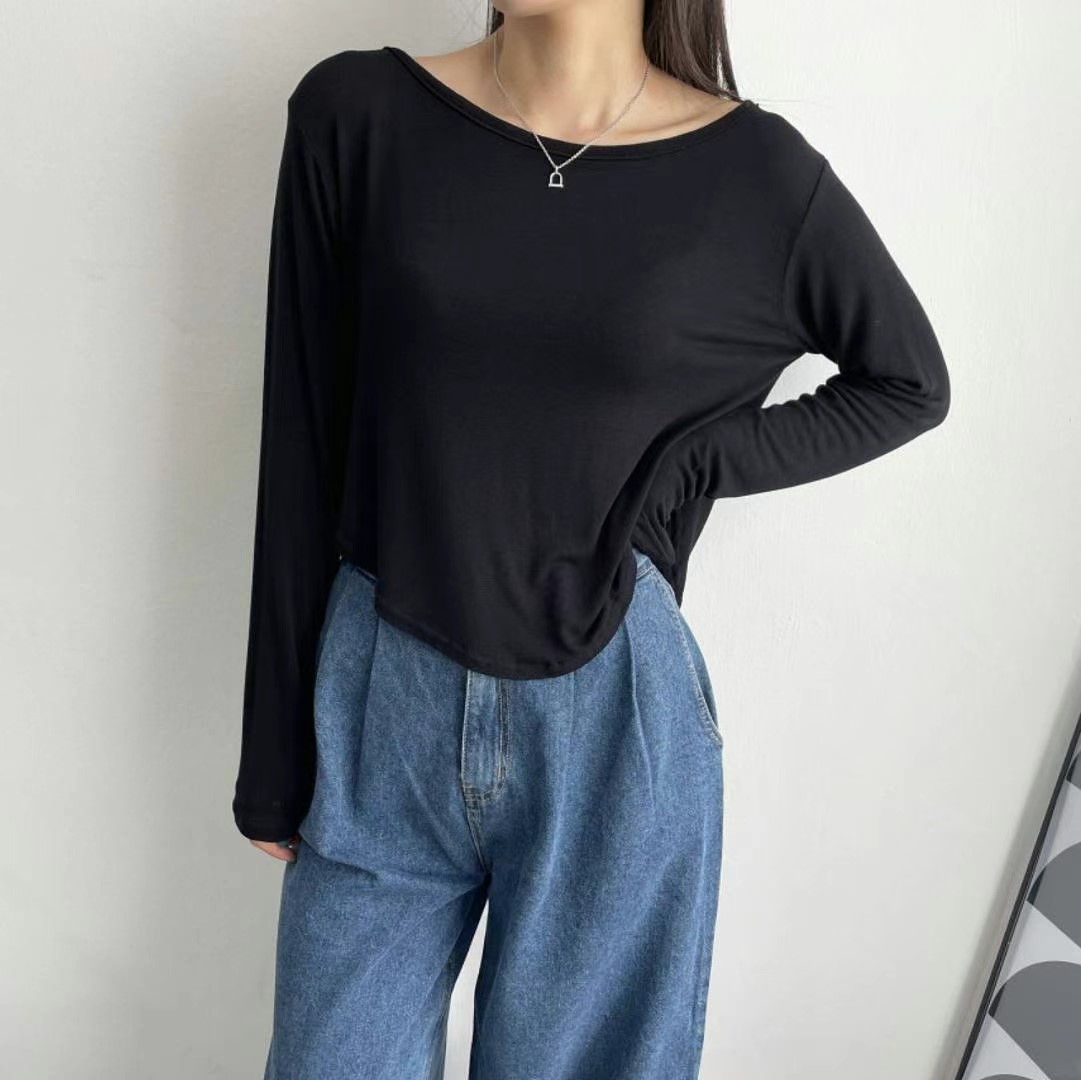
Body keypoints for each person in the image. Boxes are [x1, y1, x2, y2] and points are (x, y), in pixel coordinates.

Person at [233, 5, 950, 1077]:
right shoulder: (360, 114)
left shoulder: (756, 174)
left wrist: (693, 464)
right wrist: (273, 753)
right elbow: (301, 435)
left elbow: (906, 382)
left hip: (616, 715)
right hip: (383, 687)